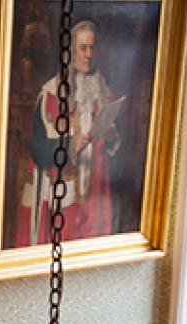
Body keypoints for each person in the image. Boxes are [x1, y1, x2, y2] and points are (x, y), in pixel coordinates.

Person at [17, 19, 122, 246]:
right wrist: (70, 146)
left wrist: (111, 138)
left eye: (93, 48)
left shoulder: (105, 93)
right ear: (71, 52)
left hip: (95, 197)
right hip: (63, 199)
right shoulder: (51, 95)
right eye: (83, 48)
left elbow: (117, 154)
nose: (89, 54)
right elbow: (38, 151)